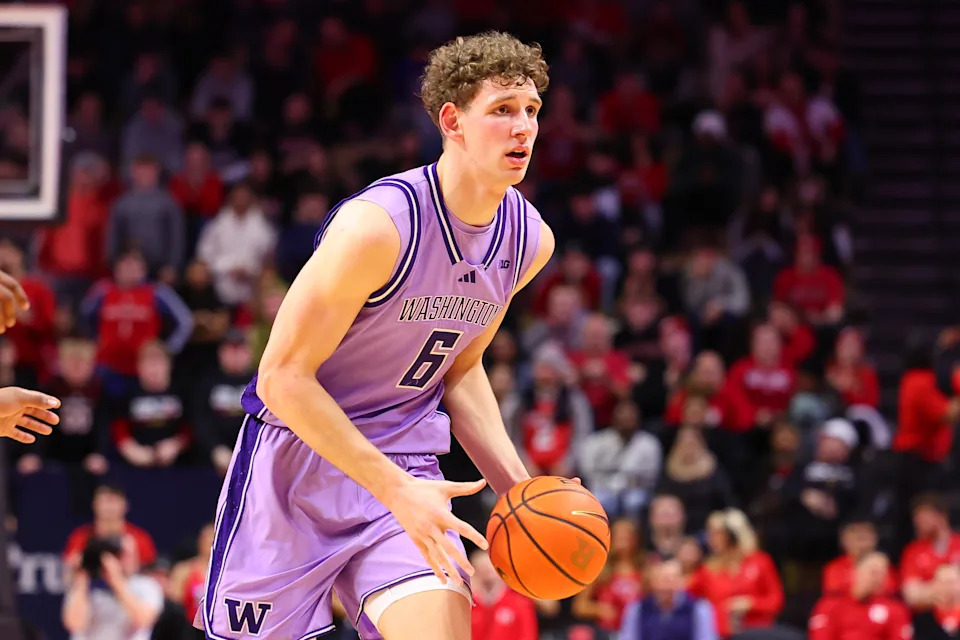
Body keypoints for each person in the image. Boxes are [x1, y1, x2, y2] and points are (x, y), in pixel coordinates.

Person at [196, 32, 557, 640]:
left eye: (531, 112)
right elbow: (280, 378)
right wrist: (393, 487)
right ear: (452, 121)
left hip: (406, 462)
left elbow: (459, 371)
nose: (523, 127)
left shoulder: (529, 241)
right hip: (298, 464)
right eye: (502, 110)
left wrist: (517, 491)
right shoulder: (378, 226)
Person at [61, 534, 164, 640]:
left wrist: (116, 581)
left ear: (136, 557)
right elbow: (75, 624)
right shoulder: (84, 583)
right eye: (118, 554)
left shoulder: (146, 585)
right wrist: (81, 582)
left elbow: (144, 619)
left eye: (127, 554)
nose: (122, 560)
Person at [808, 552, 912, 640]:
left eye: (883, 574)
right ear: (856, 572)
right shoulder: (830, 605)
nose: (878, 579)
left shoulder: (895, 609)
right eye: (873, 572)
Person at [620, 559, 717, 640]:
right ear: (653, 582)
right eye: (663, 579)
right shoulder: (637, 608)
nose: (667, 586)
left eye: (672, 580)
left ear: (682, 581)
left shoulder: (699, 608)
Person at [913, 564, 960, 638]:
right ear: (935, 585)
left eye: (953, 582)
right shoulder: (922, 621)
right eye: (943, 583)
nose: (948, 587)